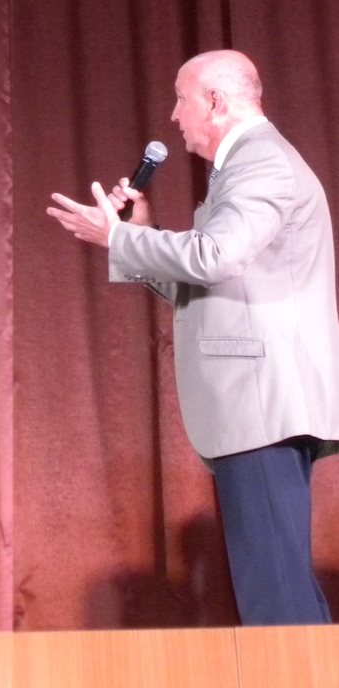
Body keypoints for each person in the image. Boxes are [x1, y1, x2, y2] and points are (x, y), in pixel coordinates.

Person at [47, 50, 339, 625]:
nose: (174, 116)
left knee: (275, 592)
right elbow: (208, 280)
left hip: (261, 401)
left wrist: (117, 239)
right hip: (258, 402)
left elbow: (214, 256)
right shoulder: (246, 166)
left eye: (182, 100)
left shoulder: (261, 162)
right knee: (276, 585)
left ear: (215, 101)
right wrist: (142, 234)